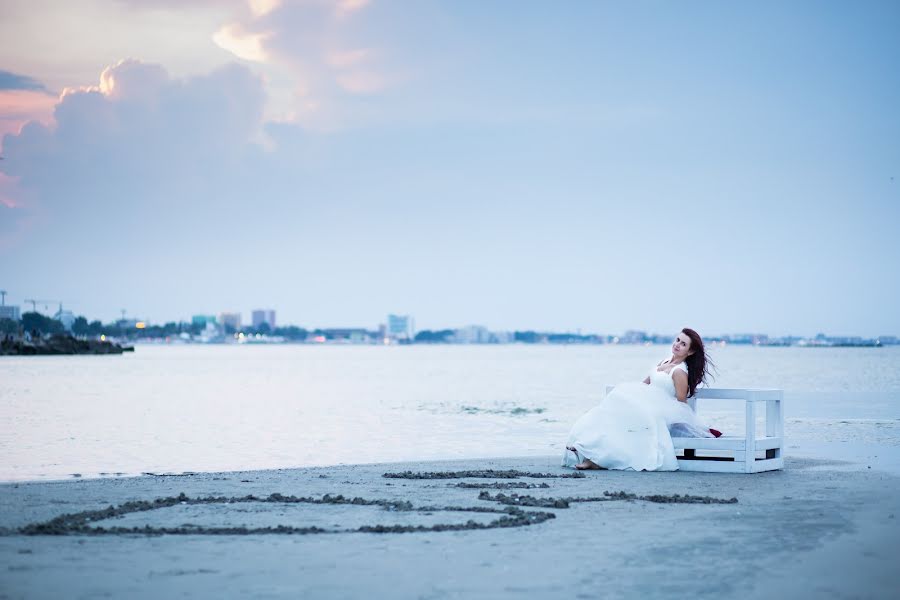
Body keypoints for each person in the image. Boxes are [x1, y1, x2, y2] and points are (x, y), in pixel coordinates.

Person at [563, 328, 715, 471]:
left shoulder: (680, 372)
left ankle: (591, 455)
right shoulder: (665, 361)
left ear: (690, 351)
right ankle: (588, 447)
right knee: (615, 407)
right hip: (648, 406)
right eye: (677, 340)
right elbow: (645, 384)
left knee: (626, 417)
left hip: (660, 414)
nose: (677, 345)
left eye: (683, 344)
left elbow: (681, 403)